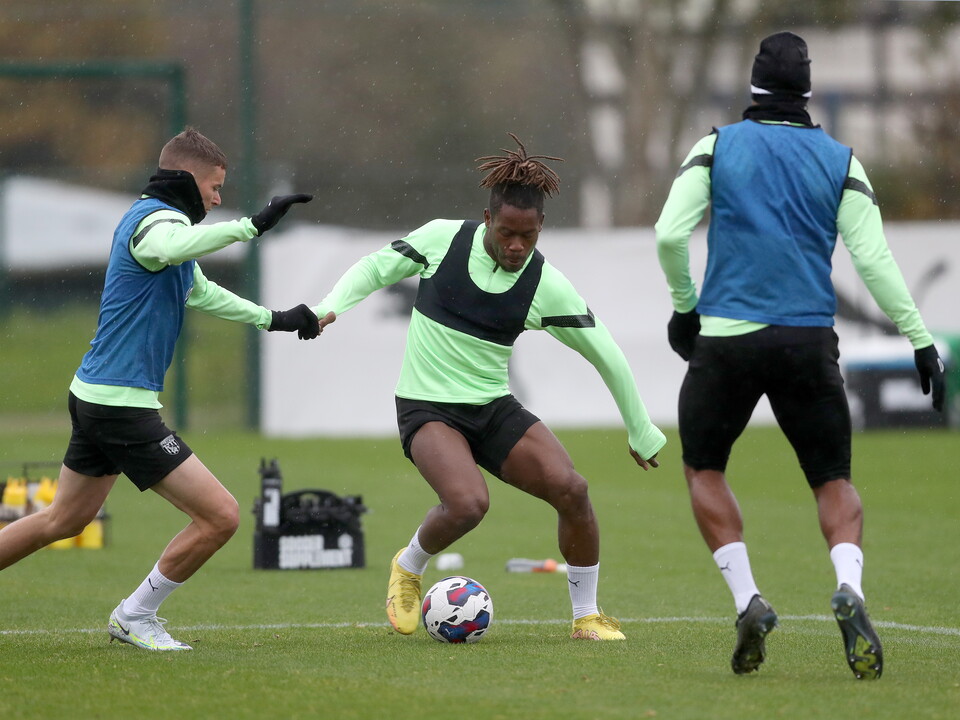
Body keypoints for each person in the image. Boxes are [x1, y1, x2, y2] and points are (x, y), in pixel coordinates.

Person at [655, 32, 946, 679]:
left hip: (727, 339)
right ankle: (850, 589)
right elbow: (872, 259)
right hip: (808, 340)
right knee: (833, 480)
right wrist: (919, 338)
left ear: (753, 86)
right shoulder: (841, 159)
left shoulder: (717, 146)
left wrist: (685, 307)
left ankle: (748, 600)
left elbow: (669, 233)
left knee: (704, 467)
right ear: (809, 91)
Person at [312, 134, 666, 641]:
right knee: (468, 503)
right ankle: (408, 567)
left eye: (527, 235)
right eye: (506, 233)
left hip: (491, 409)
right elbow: (374, 267)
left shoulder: (545, 284)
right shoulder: (442, 240)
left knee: (573, 490)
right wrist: (329, 307)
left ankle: (586, 616)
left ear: (541, 227)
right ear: (487, 220)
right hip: (428, 408)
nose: (516, 246)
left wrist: (639, 425)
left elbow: (603, 351)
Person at [0, 127, 318, 651]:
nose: (217, 199)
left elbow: (200, 289)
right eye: (215, 187)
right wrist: (252, 225)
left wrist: (275, 319)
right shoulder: (155, 224)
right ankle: (135, 615)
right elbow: (173, 244)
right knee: (221, 516)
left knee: (63, 518)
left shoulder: (158, 225)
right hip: (121, 407)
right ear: (189, 180)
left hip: (96, 397)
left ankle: (134, 615)